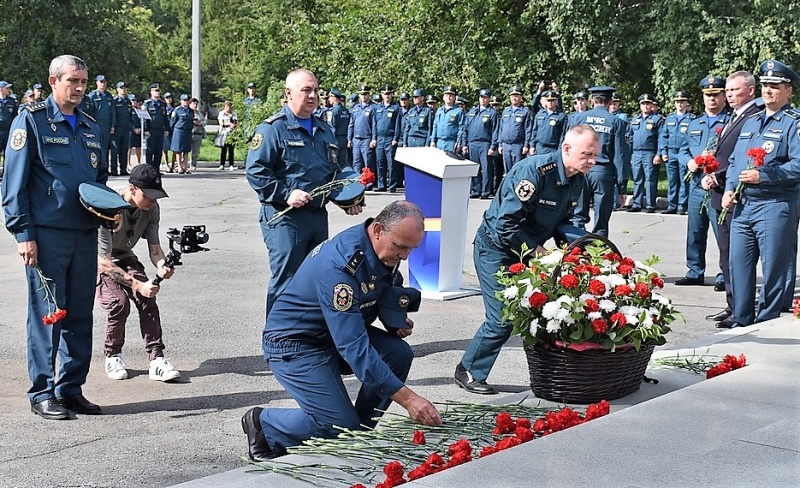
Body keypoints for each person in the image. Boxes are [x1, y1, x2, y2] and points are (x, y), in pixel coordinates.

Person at [241, 201, 442, 460]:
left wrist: (392, 318)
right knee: (338, 425)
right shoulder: (341, 267)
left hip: (331, 335)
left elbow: (384, 285)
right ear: (378, 229)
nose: (405, 256)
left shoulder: (382, 247)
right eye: (401, 247)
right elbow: (354, 347)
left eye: (411, 249)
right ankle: (265, 425)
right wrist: (409, 399)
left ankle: (358, 434)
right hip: (296, 344)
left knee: (398, 354)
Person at [455, 126, 598, 394]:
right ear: (567, 149)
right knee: (502, 318)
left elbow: (563, 221)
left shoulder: (577, 178)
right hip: (496, 249)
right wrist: (537, 252)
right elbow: (504, 224)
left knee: (543, 311)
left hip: (529, 251)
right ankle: (470, 370)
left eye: (595, 156)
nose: (592, 161)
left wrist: (581, 245)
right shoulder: (533, 172)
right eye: (587, 154)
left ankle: (554, 375)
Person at [1, 54, 106, 419]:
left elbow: (99, 183)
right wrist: (23, 234)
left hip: (84, 234)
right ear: (53, 81)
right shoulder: (30, 122)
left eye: (83, 82)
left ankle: (71, 389)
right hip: (46, 237)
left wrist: (111, 210)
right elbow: (14, 185)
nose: (78, 88)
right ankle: (42, 392)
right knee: (49, 314)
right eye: (72, 81)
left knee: (80, 314)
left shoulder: (92, 127)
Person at [245, 68, 363, 316]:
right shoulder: (273, 129)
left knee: (316, 278)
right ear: (288, 93)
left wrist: (349, 199)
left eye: (316, 91)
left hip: (316, 217)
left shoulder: (324, 129)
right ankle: (277, 343)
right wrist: (285, 193)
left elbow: (335, 172)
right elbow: (256, 171)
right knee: (287, 280)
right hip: (285, 218)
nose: (312, 96)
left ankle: (306, 343)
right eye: (306, 90)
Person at [723, 60, 800, 328]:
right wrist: (730, 188)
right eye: (765, 85)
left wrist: (764, 176)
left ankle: (766, 322)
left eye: (775, 86)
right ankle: (740, 323)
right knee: (739, 267)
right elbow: (735, 161)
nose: (768, 91)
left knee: (773, 272)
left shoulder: (793, 123)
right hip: (744, 206)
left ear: (788, 91)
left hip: (775, 204)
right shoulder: (751, 121)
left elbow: (798, 165)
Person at [97, 165, 181, 382]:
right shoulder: (107, 207)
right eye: (150, 196)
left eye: (157, 196)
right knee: (119, 303)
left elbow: (155, 249)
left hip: (125, 255)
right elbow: (105, 262)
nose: (154, 201)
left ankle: (157, 360)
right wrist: (137, 284)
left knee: (148, 297)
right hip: (97, 261)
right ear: (132, 189)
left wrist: (162, 264)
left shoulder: (152, 209)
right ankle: (112, 355)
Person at [703, 71, 760, 328]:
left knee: (735, 255)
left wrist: (720, 176)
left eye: (735, 90)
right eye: (728, 91)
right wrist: (709, 173)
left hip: (733, 193)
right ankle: (731, 304)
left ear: (750, 90)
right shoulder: (733, 116)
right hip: (720, 191)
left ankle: (740, 307)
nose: (729, 95)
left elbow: (742, 156)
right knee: (725, 254)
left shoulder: (753, 116)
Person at [675, 75, 729, 287]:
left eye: (716, 95)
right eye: (708, 95)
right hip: (697, 184)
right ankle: (695, 271)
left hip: (718, 185)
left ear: (724, 96)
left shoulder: (730, 121)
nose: (712, 99)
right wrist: (688, 162)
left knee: (722, 232)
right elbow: (682, 150)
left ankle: (725, 275)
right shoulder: (694, 123)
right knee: (695, 231)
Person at [568, 86, 628, 236]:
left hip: (579, 170)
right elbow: (620, 155)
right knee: (601, 220)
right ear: (610, 102)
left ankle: (576, 251)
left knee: (577, 216)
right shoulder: (616, 122)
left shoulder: (578, 118)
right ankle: (598, 253)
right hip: (602, 172)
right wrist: (622, 185)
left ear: (592, 100)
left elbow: (567, 145)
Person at [626, 94, 665, 213]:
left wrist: (658, 154)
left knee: (650, 180)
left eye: (648, 103)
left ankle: (650, 205)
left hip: (650, 153)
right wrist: (631, 153)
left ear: (652, 105)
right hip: (637, 153)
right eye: (643, 104)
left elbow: (661, 138)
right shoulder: (635, 119)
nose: (646, 106)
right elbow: (629, 136)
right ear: (640, 105)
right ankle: (637, 204)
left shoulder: (657, 119)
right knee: (637, 179)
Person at [660, 91, 693, 214]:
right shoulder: (669, 118)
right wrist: (663, 152)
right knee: (672, 180)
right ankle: (672, 205)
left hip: (684, 153)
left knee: (684, 180)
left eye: (682, 102)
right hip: (671, 152)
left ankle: (681, 206)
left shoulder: (691, 119)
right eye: (677, 102)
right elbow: (664, 136)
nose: (679, 104)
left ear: (686, 103)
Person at [463, 88, 498, 199]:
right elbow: (465, 128)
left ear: (489, 99)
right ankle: (476, 189)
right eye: (481, 97)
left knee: (486, 168)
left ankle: (485, 191)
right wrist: (464, 144)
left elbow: (495, 130)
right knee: (475, 168)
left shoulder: (492, 113)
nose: (483, 100)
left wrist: (493, 146)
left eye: (486, 98)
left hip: (485, 143)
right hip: (472, 143)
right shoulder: (472, 112)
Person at [495, 85, 532, 171]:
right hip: (505, 145)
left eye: (516, 96)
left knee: (518, 169)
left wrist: (526, 145)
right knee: (507, 170)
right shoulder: (506, 111)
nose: (514, 98)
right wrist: (500, 144)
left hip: (518, 145)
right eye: (512, 96)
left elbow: (528, 129)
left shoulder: (525, 112)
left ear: (520, 97)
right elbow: (501, 128)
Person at [374, 84, 403, 192]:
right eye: (385, 94)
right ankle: (381, 185)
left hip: (390, 138)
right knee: (380, 163)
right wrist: (374, 138)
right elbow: (374, 124)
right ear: (381, 94)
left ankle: (392, 186)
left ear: (392, 94)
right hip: (380, 138)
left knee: (391, 164)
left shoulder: (395, 108)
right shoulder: (378, 107)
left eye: (389, 94)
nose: (387, 96)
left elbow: (397, 124)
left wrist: (396, 138)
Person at [88, 75, 116, 173]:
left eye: (104, 82)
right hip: (97, 124)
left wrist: (113, 125)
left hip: (107, 126)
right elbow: (90, 112)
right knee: (96, 147)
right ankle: (96, 168)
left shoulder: (109, 96)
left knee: (106, 148)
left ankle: (105, 168)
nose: (103, 84)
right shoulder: (92, 96)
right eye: (101, 82)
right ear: (96, 83)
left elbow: (113, 112)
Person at [347, 84, 377, 176]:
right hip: (356, 139)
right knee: (356, 162)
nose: (363, 96)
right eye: (361, 94)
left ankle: (368, 183)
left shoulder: (373, 107)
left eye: (365, 94)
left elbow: (374, 125)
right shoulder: (355, 108)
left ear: (369, 95)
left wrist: (373, 139)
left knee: (367, 162)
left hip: (367, 138)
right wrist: (349, 139)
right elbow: (351, 124)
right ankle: (357, 184)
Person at [530, 90, 567, 155]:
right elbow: (534, 131)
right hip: (539, 148)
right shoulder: (540, 114)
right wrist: (532, 146)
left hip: (553, 149)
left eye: (552, 100)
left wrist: (559, 150)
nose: (550, 103)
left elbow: (563, 135)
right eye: (548, 100)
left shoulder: (561, 116)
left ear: (556, 101)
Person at [143, 83, 170, 170]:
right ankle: (149, 169)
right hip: (151, 130)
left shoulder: (162, 104)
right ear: (151, 92)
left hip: (160, 130)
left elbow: (165, 117)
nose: (157, 93)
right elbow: (144, 118)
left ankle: (156, 169)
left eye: (158, 91)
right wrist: (146, 129)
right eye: (155, 91)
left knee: (158, 151)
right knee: (150, 151)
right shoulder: (147, 104)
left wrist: (167, 128)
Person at [430, 85, 464, 152]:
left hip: (451, 142)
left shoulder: (458, 111)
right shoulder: (439, 110)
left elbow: (461, 128)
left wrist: (458, 142)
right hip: (439, 142)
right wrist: (433, 140)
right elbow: (435, 126)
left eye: (451, 96)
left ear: (454, 98)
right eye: (446, 95)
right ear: (443, 97)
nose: (448, 97)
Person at [111, 81, 133, 176]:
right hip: (117, 128)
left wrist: (132, 127)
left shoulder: (128, 101)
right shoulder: (115, 101)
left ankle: (123, 169)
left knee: (124, 150)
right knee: (115, 150)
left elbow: (130, 116)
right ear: (117, 89)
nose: (123, 90)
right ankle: (114, 170)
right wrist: (113, 126)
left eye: (124, 88)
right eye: (121, 88)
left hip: (126, 128)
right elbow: (113, 115)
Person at [170, 94, 194, 174]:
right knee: (178, 150)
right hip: (179, 131)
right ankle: (179, 167)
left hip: (187, 131)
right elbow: (172, 122)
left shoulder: (191, 111)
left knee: (186, 150)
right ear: (181, 101)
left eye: (187, 100)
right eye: (184, 100)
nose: (185, 102)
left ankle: (185, 167)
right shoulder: (177, 110)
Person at [0, 80, 19, 168]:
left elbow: (15, 116)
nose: (8, 90)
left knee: (8, 154)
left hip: (8, 132)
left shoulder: (12, 102)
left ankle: (5, 175)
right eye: (6, 88)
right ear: (1, 89)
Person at [217, 100, 238, 171]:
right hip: (224, 133)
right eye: (226, 106)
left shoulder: (234, 113)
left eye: (229, 106)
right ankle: (222, 164)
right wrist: (229, 124)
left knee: (231, 149)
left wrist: (234, 125)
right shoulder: (221, 113)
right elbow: (221, 123)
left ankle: (231, 164)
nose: (228, 108)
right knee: (224, 149)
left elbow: (236, 122)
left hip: (232, 133)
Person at [189, 98, 206, 171]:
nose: (195, 105)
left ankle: (193, 164)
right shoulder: (188, 112)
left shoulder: (199, 113)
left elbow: (205, 121)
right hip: (189, 133)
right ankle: (183, 164)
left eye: (196, 104)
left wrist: (200, 123)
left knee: (195, 152)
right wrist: (193, 122)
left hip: (198, 134)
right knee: (185, 150)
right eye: (193, 104)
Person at [128, 94, 143, 170]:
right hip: (130, 131)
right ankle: (128, 163)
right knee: (129, 148)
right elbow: (128, 121)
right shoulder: (128, 110)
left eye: (135, 100)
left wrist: (140, 128)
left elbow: (142, 120)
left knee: (138, 147)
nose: (134, 102)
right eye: (132, 100)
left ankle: (138, 162)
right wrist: (133, 129)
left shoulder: (139, 110)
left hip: (138, 131)